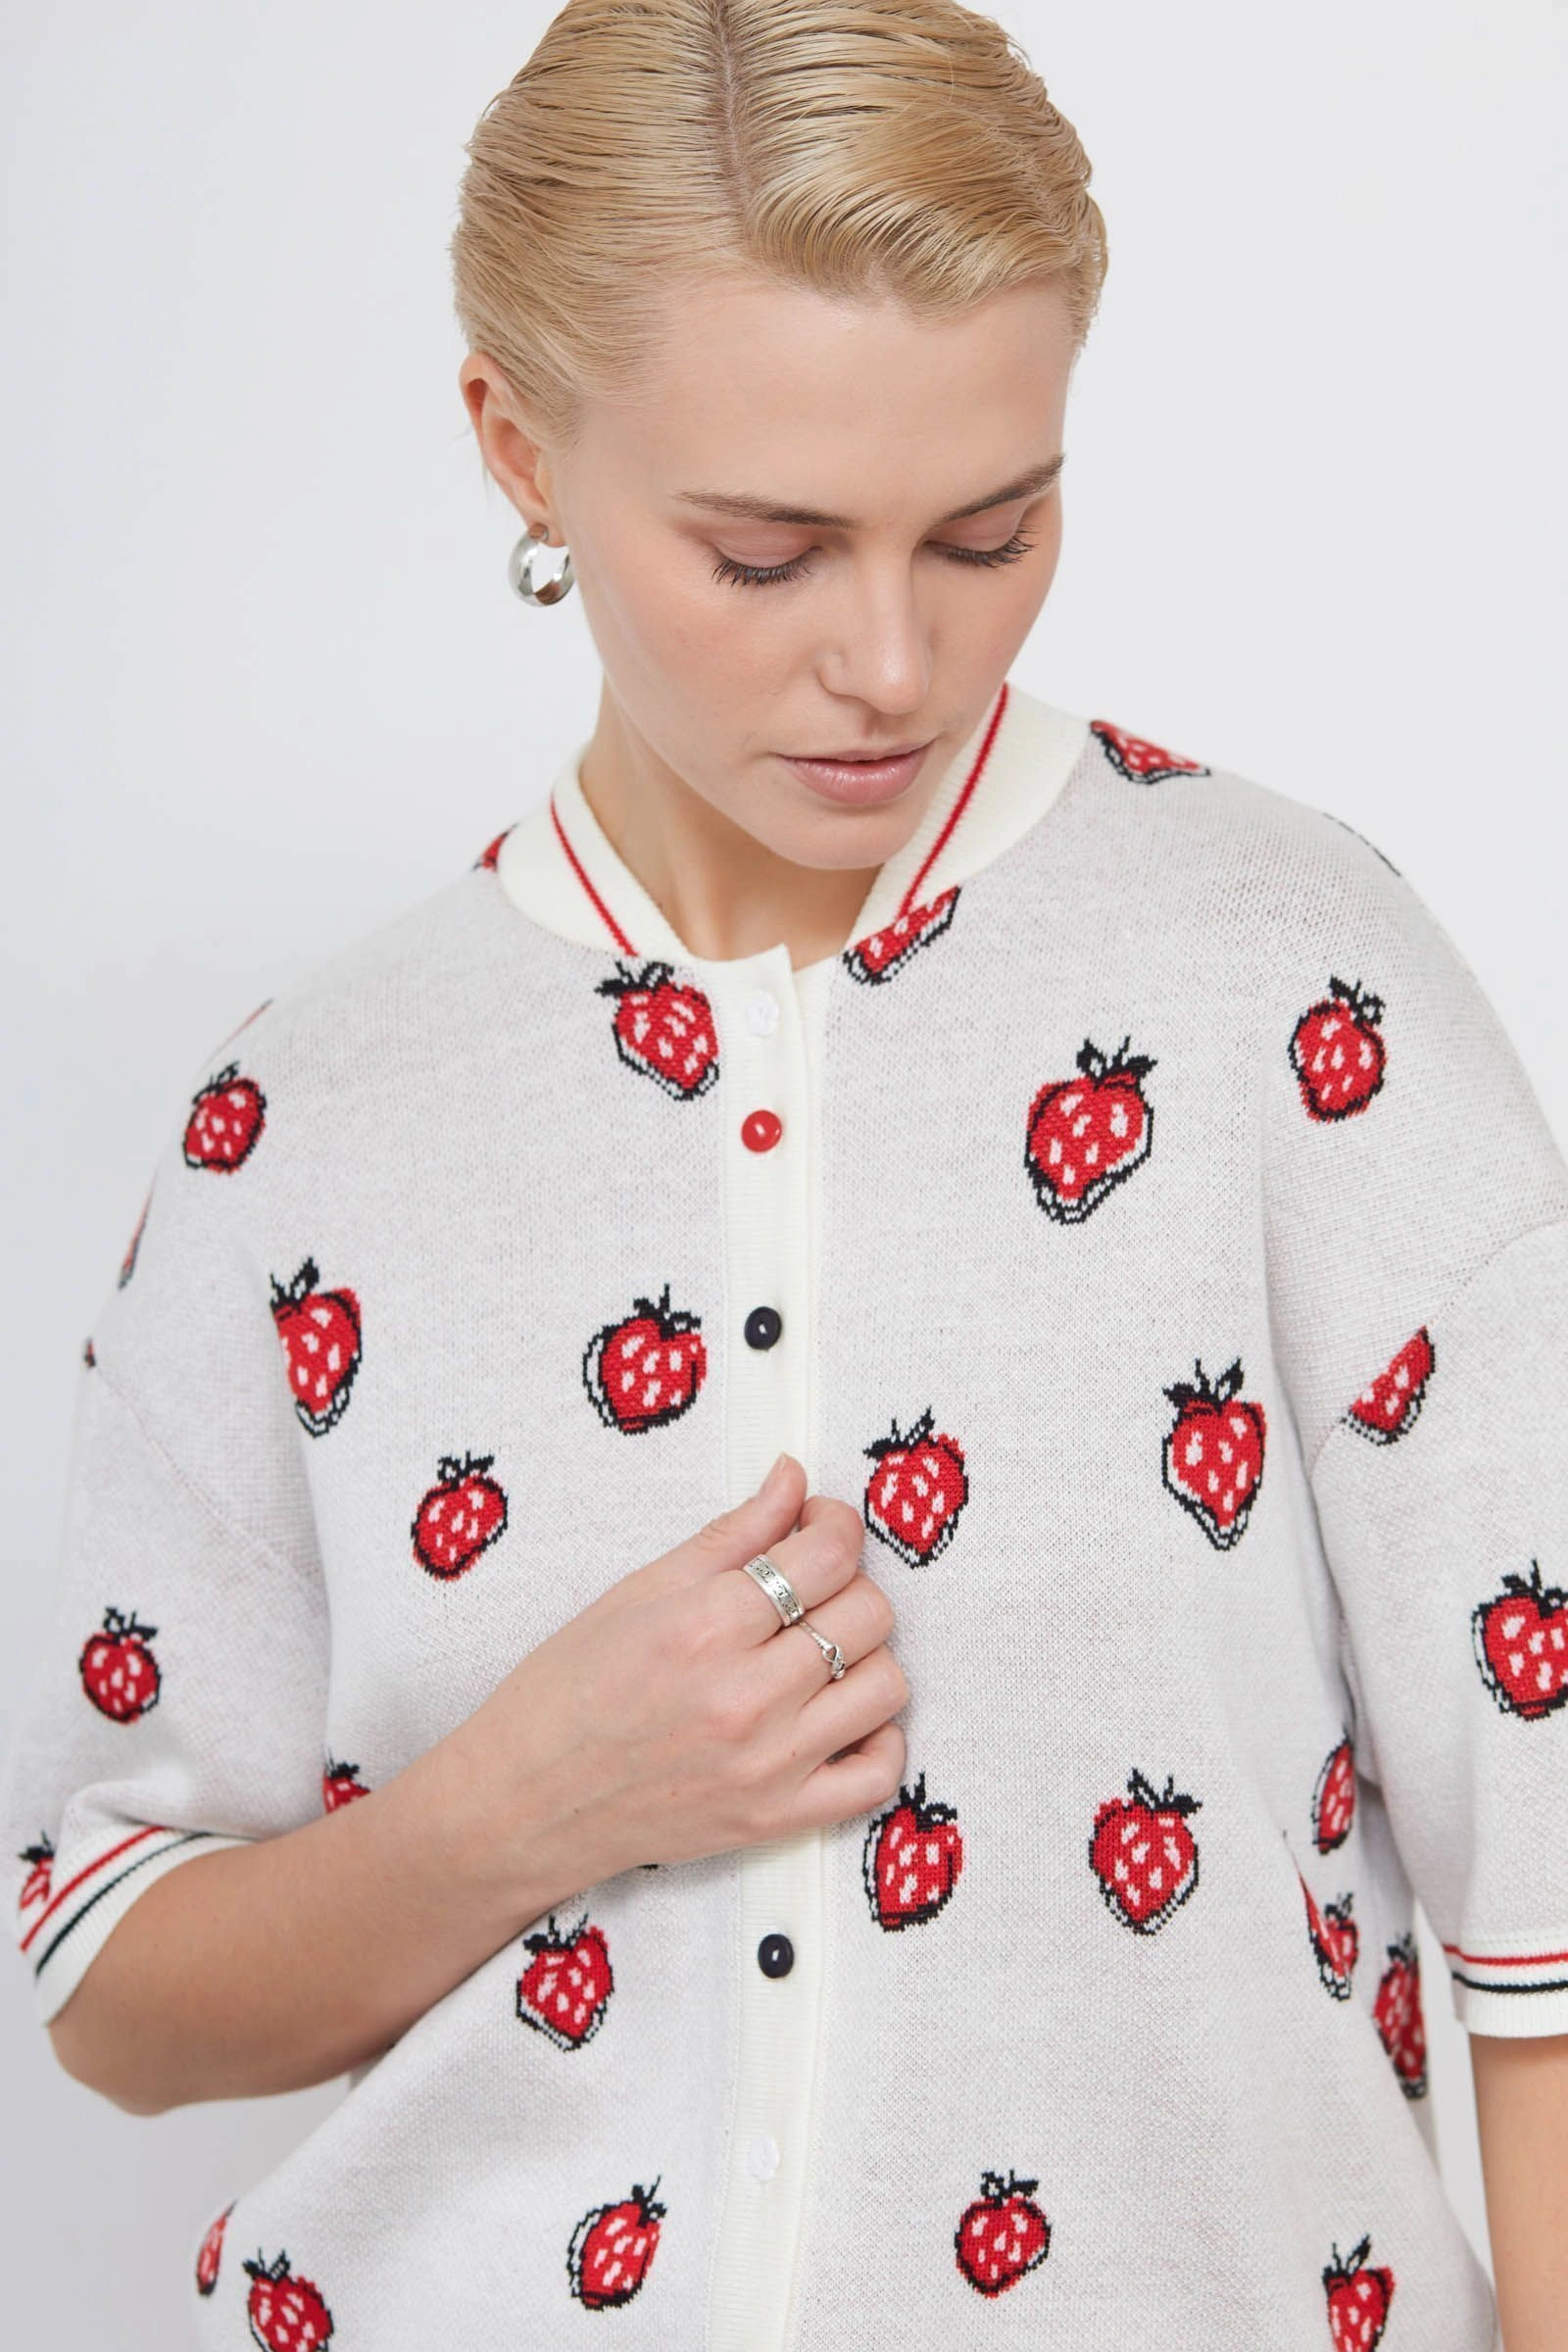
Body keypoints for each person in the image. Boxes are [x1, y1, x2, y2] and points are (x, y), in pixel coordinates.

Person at [4, 2, 1565, 2345]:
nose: (893, 659)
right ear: (515, 447)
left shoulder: (1286, 987)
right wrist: (518, 1802)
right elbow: (108, 1976)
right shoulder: (306, 1115)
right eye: (764, 555)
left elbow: (1546, 1889)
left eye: (988, 531)